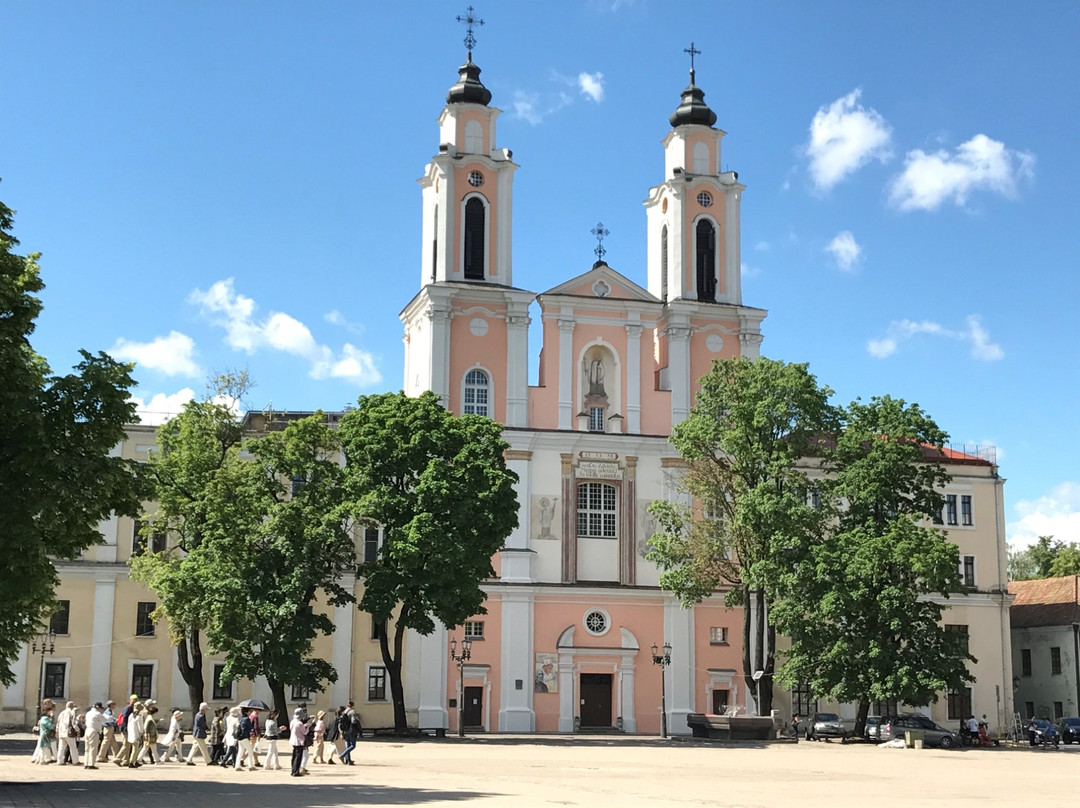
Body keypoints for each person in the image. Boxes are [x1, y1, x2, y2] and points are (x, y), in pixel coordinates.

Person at [114, 694, 138, 767]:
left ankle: (126, 761)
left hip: (128, 729)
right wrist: (125, 728)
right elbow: (125, 719)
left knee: (128, 744)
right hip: (125, 729)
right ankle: (118, 758)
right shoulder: (128, 708)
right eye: (133, 700)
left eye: (136, 700)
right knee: (126, 744)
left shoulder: (132, 708)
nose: (134, 701)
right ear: (131, 700)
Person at [83, 702, 105, 768]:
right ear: (98, 708)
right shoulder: (97, 714)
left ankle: (86, 763)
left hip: (87, 730)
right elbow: (105, 719)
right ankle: (91, 764)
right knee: (93, 748)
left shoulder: (88, 713)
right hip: (94, 731)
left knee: (87, 748)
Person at [289, 707, 309, 777]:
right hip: (299, 741)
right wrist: (307, 727)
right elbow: (305, 732)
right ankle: (296, 771)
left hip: (293, 740)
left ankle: (293, 770)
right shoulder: (299, 723)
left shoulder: (292, 721)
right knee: (298, 757)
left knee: (294, 756)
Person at [124, 701, 144, 767]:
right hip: (136, 734)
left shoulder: (131, 715)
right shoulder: (138, 717)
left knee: (134, 748)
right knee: (135, 749)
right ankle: (131, 762)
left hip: (131, 734)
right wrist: (142, 733)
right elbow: (140, 727)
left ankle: (135, 761)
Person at [340, 700, 359, 765]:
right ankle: (342, 755)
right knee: (353, 745)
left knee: (348, 745)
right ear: (353, 705)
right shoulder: (352, 711)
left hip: (345, 730)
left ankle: (349, 760)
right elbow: (353, 721)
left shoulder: (344, 711)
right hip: (351, 730)